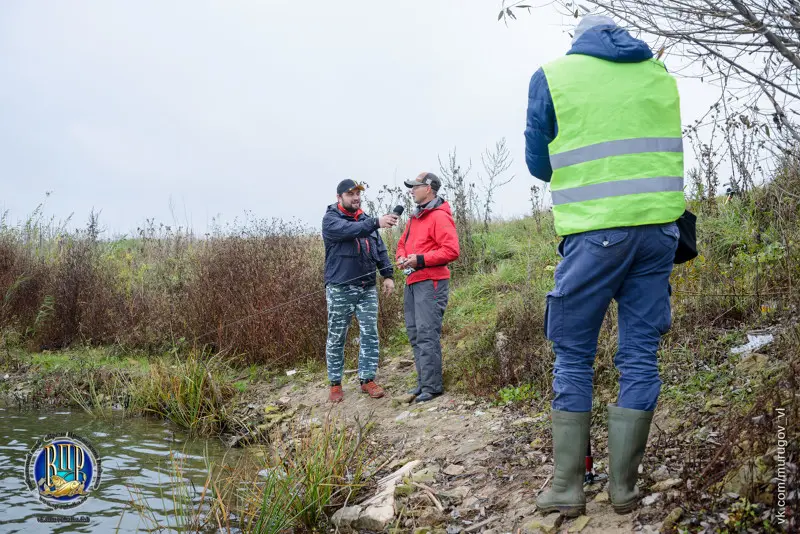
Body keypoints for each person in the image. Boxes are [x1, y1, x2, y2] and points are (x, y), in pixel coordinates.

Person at [524, 15, 685, 516]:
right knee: (639, 358)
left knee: (573, 355)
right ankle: (624, 490)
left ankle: (568, 490)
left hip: (594, 233)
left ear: (578, 41)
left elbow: (538, 162)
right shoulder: (657, 73)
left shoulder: (553, 75)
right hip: (660, 232)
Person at [322, 179, 399, 403]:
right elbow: (351, 230)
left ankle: (367, 380)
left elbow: (380, 249)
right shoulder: (331, 220)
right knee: (337, 337)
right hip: (339, 289)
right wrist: (376, 221)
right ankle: (335, 384)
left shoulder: (366, 220)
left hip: (367, 288)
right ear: (339, 197)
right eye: (350, 194)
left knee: (370, 333)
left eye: (358, 193)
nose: (356, 197)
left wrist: (388, 275)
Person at [396, 172, 460, 403]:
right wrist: (403, 258)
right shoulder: (414, 218)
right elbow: (401, 245)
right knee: (414, 334)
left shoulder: (440, 217)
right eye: (411, 186)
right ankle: (423, 382)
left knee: (426, 333)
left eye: (415, 186)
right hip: (412, 282)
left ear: (429, 188)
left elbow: (451, 251)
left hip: (431, 282)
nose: (411, 190)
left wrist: (419, 260)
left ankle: (432, 387)